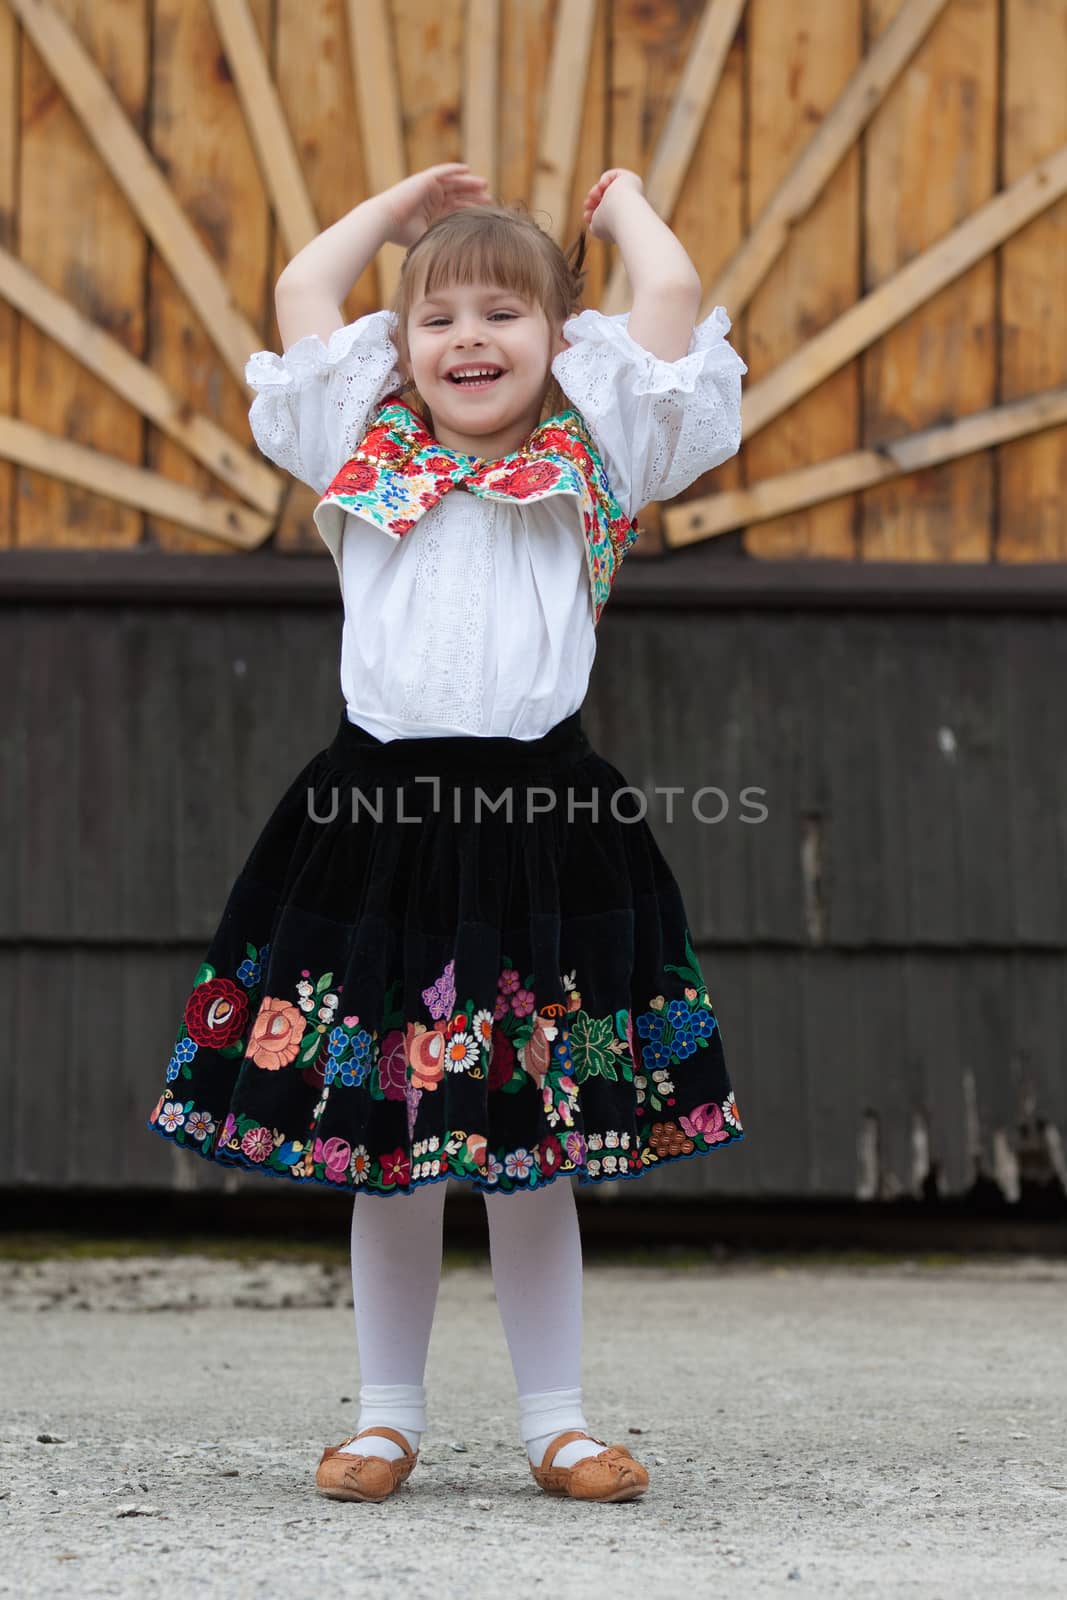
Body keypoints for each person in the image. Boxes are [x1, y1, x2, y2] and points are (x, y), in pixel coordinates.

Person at [147, 162, 749, 1505]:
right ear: (399, 348)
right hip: (380, 831)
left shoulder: (604, 446)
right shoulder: (355, 438)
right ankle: (384, 1420)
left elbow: (673, 294)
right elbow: (305, 290)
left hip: (541, 832)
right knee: (391, 1145)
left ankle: (559, 1424)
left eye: (504, 316)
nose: (467, 339)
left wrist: (625, 202)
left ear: (561, 343)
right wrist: (396, 208)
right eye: (437, 318)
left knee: (529, 1152)